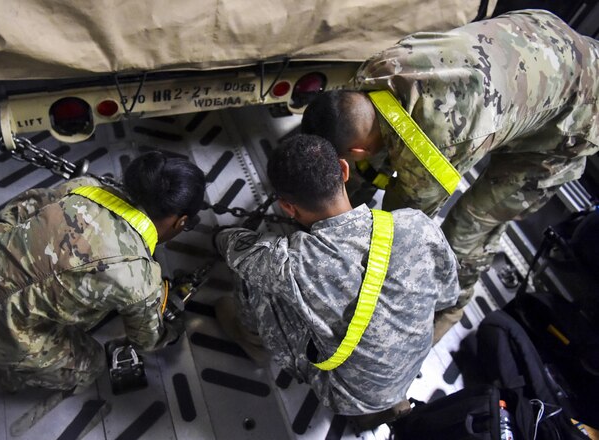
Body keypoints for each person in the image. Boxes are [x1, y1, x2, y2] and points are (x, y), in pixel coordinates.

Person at [301, 9, 599, 341]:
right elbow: (374, 140)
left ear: (355, 152)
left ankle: (450, 308)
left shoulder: (429, 153)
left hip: (577, 113)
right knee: (387, 146)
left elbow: (402, 226)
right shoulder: (377, 69)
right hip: (540, 35)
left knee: (468, 226)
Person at [213, 134, 459, 429]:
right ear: (344, 170)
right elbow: (447, 296)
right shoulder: (416, 224)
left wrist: (224, 235)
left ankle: (250, 339)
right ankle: (385, 395)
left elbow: (232, 246)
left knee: (251, 279)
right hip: (413, 361)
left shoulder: (290, 263)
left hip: (348, 395)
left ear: (287, 207)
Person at [0, 151, 206, 393]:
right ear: (180, 223)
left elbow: (11, 215)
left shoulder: (82, 187)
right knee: (90, 365)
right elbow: (146, 340)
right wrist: (172, 327)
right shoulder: (139, 278)